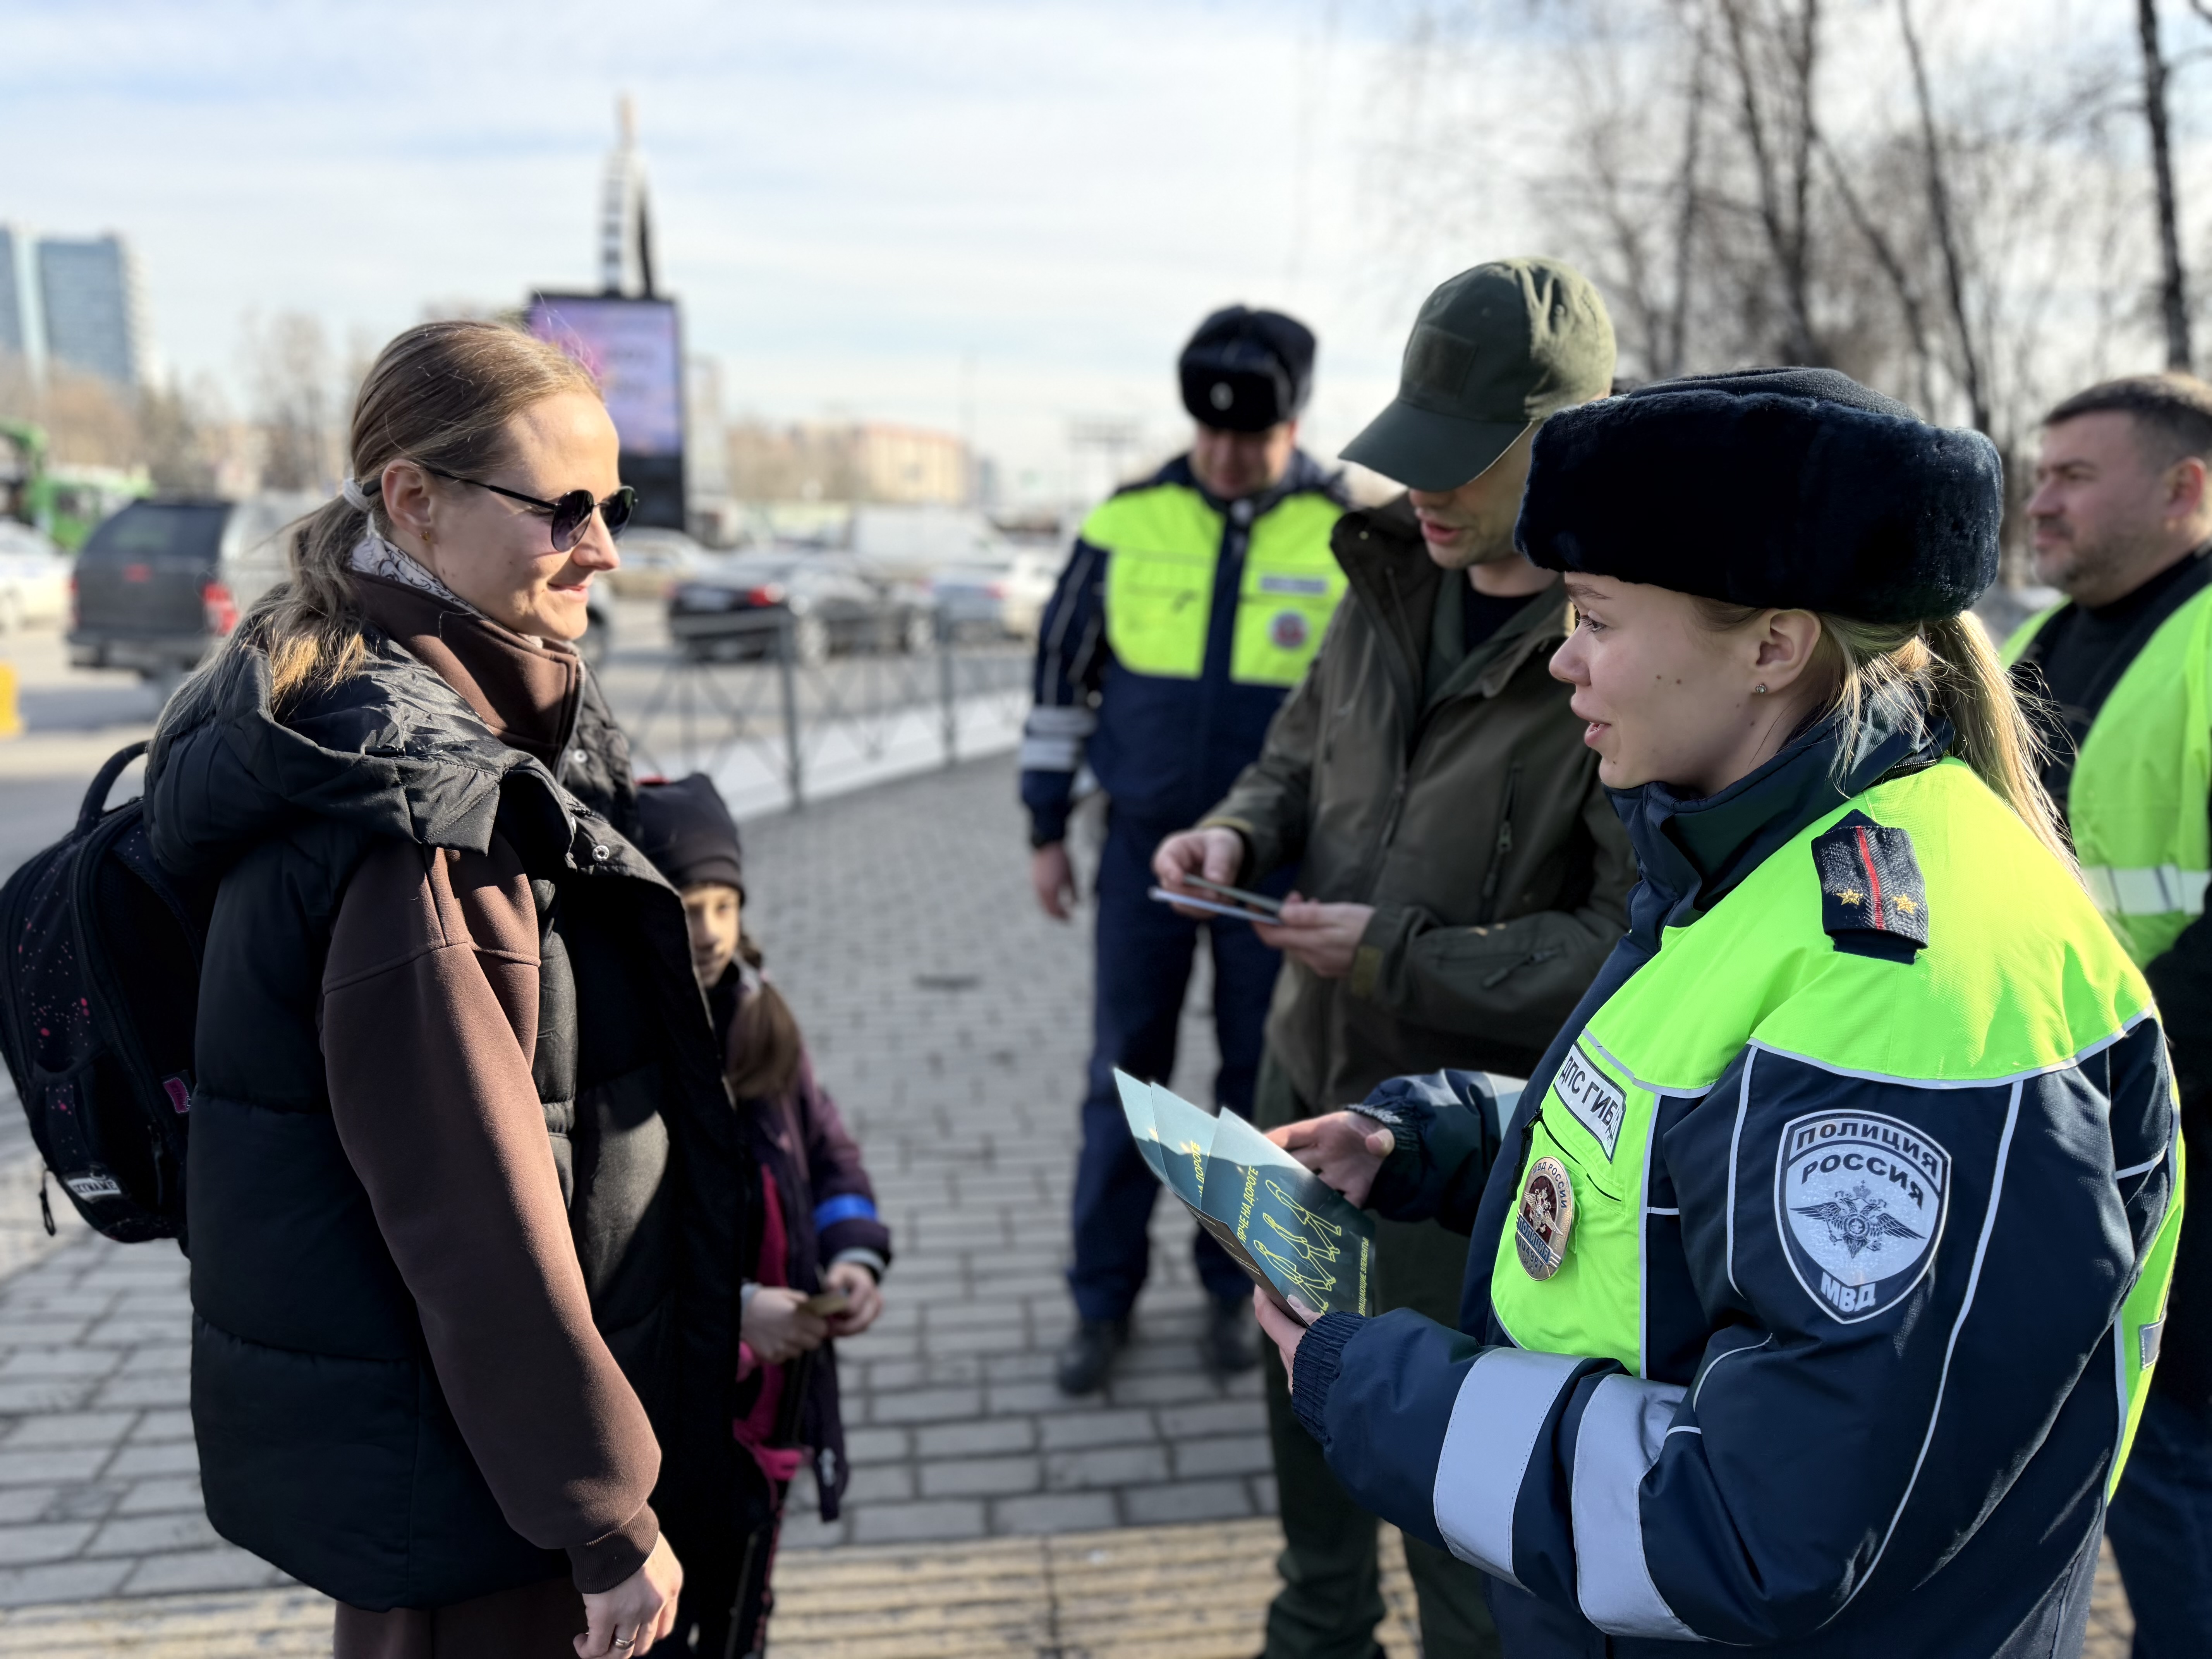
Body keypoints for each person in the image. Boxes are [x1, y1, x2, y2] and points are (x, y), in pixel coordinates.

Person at [1257, 368, 2183, 1657]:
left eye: (1593, 616)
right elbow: (1705, 1156)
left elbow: (1762, 1523)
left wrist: (1379, 1390)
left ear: (1772, 644)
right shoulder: (1766, 846)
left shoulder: (1889, 980)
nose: (1563, 660)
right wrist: (1447, 1139)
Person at [144, 321, 753, 1659]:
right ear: (412, 499)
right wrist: (600, 1511)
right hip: (490, 1497)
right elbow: (472, 1209)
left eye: (615, 505)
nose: (602, 547)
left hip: (445, 1453)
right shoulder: (416, 807)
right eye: (563, 511)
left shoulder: (383, 713)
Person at [1153, 258, 1633, 1659]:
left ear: (1562, 444)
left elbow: (1626, 948)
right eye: (1407, 446)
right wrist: (1233, 835)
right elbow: (1298, 754)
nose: (1421, 489)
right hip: (1303, 1104)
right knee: (1305, 1447)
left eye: (1461, 461)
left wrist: (1394, 955)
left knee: (1460, 1531)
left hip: (1478, 1172)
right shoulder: (1380, 575)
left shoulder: (1620, 645)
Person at [1020, 305, 1349, 1393]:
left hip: (1281, 872)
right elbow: (1060, 687)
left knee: (1261, 1091)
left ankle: (1240, 1301)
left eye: (1250, 436)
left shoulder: (1353, 532)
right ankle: (1098, 1301)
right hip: (1143, 864)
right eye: (1209, 433)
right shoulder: (1126, 522)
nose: (1225, 455)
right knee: (1125, 1073)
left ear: (1294, 424)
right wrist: (1044, 828)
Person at [2004, 373, 2212, 1658]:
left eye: (2075, 474)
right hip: (2080, 1120)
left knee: (2171, 1455)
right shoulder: (2043, 645)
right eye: (2041, 473)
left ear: (2186, 489)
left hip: (2162, 1121)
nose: (2042, 498)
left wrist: (2112, 1074)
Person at [633, 773, 892, 1659]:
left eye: (723, 904)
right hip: (676, 1403)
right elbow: (624, 1237)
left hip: (773, 1397)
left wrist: (854, 1256)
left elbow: (828, 1151)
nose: (708, 930)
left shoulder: (759, 1014)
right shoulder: (628, 1042)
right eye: (684, 904)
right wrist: (739, 1308)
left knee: (746, 1599)